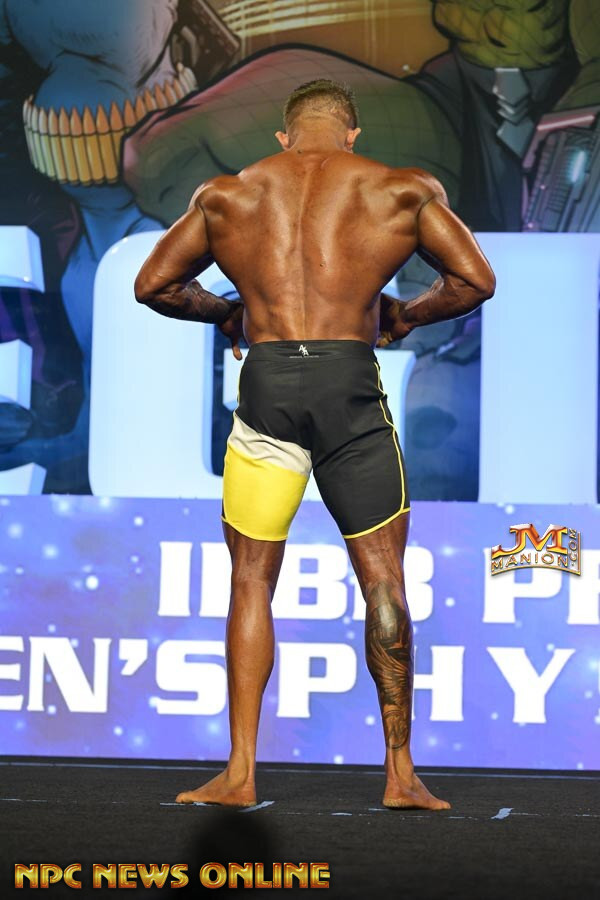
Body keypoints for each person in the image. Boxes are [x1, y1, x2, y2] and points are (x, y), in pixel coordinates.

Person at [134, 79, 495, 811]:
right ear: (352, 133)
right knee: (383, 579)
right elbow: (474, 280)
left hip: (268, 388)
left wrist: (229, 315)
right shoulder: (401, 189)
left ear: (284, 135)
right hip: (349, 390)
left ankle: (239, 774)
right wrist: (405, 315)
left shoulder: (226, 195)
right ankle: (400, 775)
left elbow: (154, 285)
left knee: (250, 580)